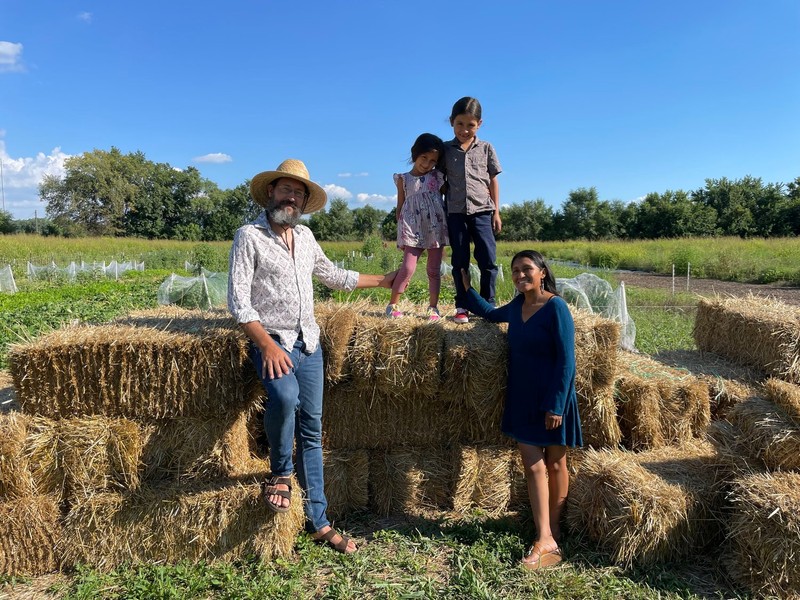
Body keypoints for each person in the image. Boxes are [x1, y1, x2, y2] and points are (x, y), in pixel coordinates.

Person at [228, 158, 396, 554]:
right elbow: (238, 301)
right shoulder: (248, 236)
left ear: (304, 201)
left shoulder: (304, 237)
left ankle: (319, 521)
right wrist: (266, 345)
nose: (292, 197)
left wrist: (383, 280)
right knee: (284, 397)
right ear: (271, 193)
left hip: (309, 344)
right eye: (286, 189)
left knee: (312, 429)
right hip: (272, 340)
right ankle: (280, 474)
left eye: (299, 193)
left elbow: (334, 276)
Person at [461, 250, 582, 570]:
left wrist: (556, 405)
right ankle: (545, 537)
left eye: (526, 269)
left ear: (542, 272)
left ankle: (552, 532)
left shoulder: (556, 307)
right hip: (522, 397)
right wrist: (466, 289)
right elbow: (490, 314)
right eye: (515, 271)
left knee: (556, 465)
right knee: (534, 466)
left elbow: (567, 360)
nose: (520, 275)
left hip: (553, 398)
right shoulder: (517, 306)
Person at [444, 96, 502, 324]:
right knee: (460, 260)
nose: (465, 130)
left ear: (479, 124)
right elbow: (439, 179)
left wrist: (496, 212)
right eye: (460, 124)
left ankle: (488, 304)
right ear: (451, 122)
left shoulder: (486, 148)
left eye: (470, 125)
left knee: (487, 258)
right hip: (455, 212)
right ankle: (463, 304)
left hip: (482, 210)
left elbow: (493, 180)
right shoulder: (446, 150)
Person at [385, 133, 449, 321]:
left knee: (433, 270)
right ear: (415, 154)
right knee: (407, 268)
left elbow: (449, 196)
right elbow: (400, 206)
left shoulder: (437, 177)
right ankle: (393, 304)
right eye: (424, 158)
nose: (427, 163)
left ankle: (433, 307)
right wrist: (401, 230)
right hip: (412, 229)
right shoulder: (403, 179)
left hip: (435, 229)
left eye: (432, 161)